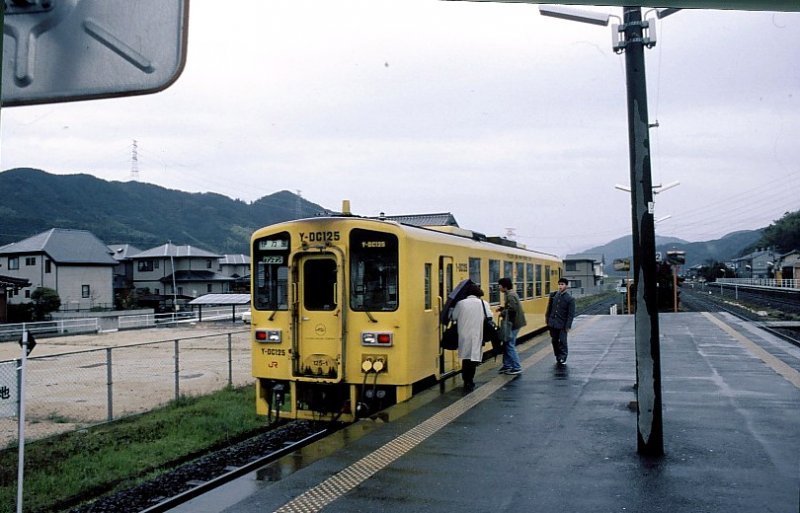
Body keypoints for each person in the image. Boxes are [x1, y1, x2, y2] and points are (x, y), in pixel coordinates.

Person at [451, 281, 490, 393]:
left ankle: (466, 380)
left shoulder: (461, 303)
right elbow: (489, 316)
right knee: (473, 358)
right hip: (477, 334)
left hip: (464, 334)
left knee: (466, 358)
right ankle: (470, 380)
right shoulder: (483, 303)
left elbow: (454, 317)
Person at [497, 277, 526, 375]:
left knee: (509, 345)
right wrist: (503, 308)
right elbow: (511, 307)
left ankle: (516, 367)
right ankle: (507, 365)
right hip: (514, 323)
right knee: (506, 344)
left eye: (499, 285)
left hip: (513, 324)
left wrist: (503, 312)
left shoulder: (510, 295)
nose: (499, 287)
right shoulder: (510, 293)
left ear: (504, 286)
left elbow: (512, 310)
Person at [545, 277, 575, 366]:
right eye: (559, 284)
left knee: (562, 341)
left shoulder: (570, 299)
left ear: (566, 286)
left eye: (562, 284)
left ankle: (563, 357)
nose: (560, 286)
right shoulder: (554, 295)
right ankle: (558, 355)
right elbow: (549, 309)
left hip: (562, 324)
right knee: (554, 341)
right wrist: (547, 320)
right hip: (553, 323)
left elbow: (571, 314)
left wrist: (568, 326)